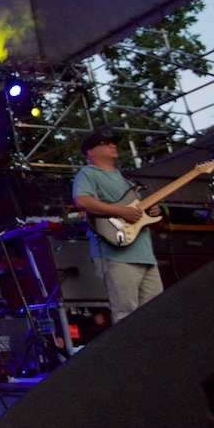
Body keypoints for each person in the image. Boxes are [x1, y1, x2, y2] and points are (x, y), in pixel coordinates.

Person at [72, 129, 163, 323]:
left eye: (113, 142)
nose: (113, 145)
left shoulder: (127, 181)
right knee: (126, 313)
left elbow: (136, 215)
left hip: (145, 254)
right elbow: (82, 201)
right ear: (91, 152)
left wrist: (151, 212)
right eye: (105, 143)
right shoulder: (88, 173)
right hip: (116, 254)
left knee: (157, 313)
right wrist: (121, 212)